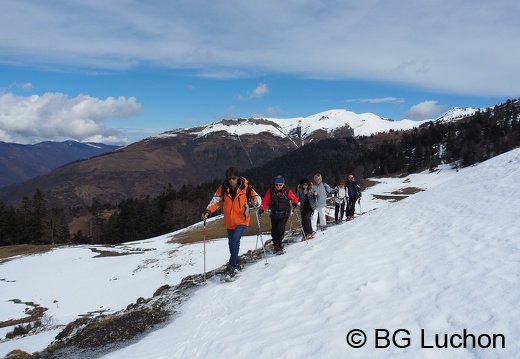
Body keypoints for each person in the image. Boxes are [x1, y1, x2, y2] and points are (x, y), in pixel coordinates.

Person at [202, 167, 261, 277]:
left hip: (242, 219)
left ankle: (232, 265)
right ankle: (237, 263)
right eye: (229, 179)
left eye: (233, 178)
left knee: (235, 239)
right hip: (229, 221)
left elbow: (256, 197)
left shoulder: (246, 187)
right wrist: (208, 211)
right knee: (232, 244)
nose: (231, 181)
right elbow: (216, 201)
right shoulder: (223, 188)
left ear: (237, 177)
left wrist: (256, 202)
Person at [259, 175, 299, 254]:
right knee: (274, 231)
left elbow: (295, 198)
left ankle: (279, 245)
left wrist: (295, 203)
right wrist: (262, 208)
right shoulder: (271, 191)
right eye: (276, 185)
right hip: (274, 214)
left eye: (280, 185)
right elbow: (265, 200)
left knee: (280, 229)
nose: (278, 186)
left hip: (284, 214)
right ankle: (276, 244)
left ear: (283, 184)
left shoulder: (287, 191)